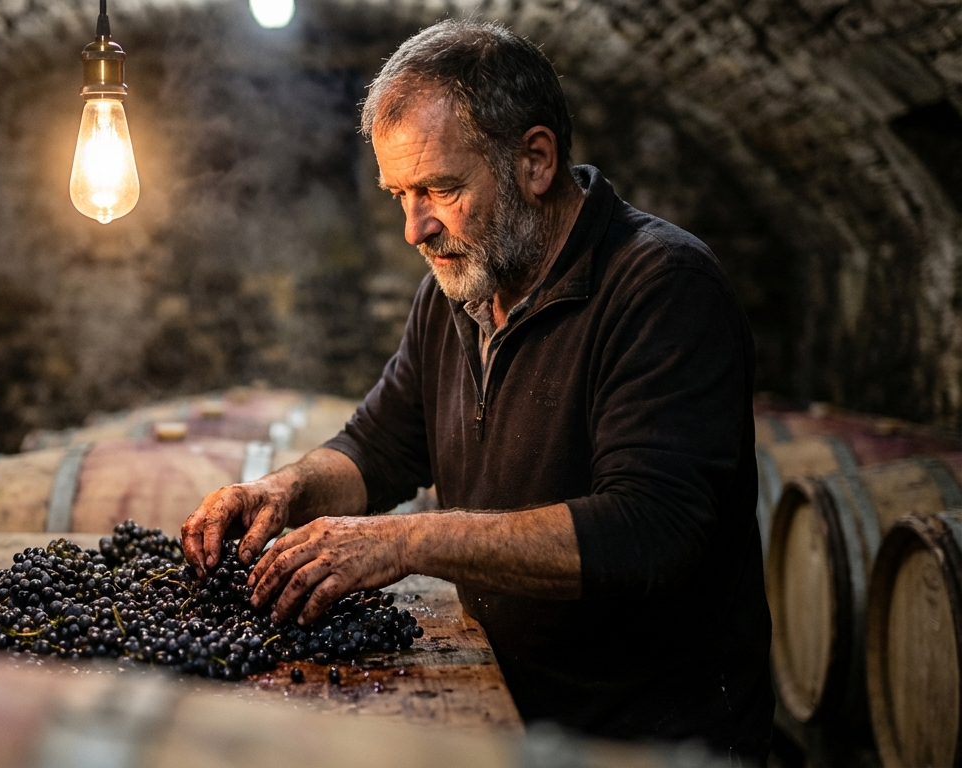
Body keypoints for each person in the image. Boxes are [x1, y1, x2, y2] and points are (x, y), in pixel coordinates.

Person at [181, 18, 772, 762]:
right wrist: (286, 489)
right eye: (399, 193)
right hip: (508, 713)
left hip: (648, 741)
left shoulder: (662, 287)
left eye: (440, 189)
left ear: (535, 160)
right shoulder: (455, 293)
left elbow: (648, 531)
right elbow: (381, 445)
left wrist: (407, 541)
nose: (413, 228)